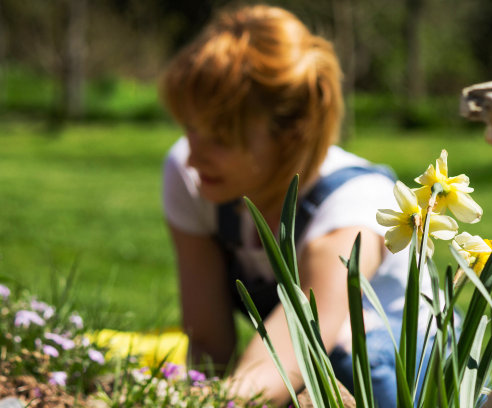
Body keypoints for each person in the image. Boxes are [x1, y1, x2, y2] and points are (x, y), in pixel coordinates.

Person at [160, 5, 432, 407]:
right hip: (298, 377)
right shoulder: (195, 177)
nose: (194, 156)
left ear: (291, 135)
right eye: (190, 128)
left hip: (402, 384)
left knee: (342, 348)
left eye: (219, 137)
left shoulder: (356, 205)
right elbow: (207, 341)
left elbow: (292, 348)